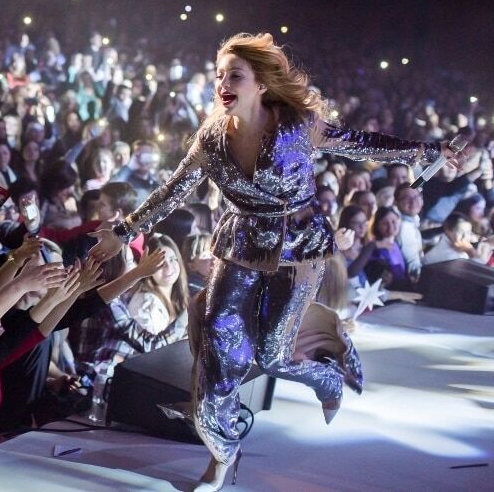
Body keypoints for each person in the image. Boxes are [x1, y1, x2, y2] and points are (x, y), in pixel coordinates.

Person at [87, 33, 464, 490]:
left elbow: (360, 143)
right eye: (220, 74)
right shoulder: (210, 139)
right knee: (218, 340)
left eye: (235, 76)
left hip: (299, 246)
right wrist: (124, 232)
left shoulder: (297, 124)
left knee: (271, 353)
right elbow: (172, 191)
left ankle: (327, 375)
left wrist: (423, 152)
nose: (223, 83)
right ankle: (220, 457)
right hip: (242, 243)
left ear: (261, 84)